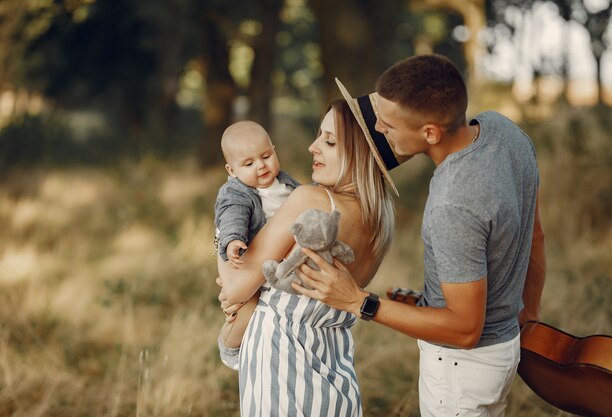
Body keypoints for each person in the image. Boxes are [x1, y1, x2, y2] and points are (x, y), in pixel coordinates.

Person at [294, 55, 546, 417]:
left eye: (388, 125)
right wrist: (528, 315)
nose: (377, 130)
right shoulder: (504, 132)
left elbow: (465, 330)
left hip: (461, 370)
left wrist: (358, 301)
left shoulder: (452, 203)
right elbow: (534, 237)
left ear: (430, 132)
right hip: (504, 348)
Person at [217, 98, 404, 416]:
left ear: (358, 153)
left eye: (329, 141)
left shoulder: (309, 200)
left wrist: (221, 233)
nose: (312, 147)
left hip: (280, 360)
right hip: (335, 361)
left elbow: (234, 289)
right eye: (319, 135)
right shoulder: (379, 221)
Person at [214, 120, 299, 370]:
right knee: (245, 306)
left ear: (274, 150)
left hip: (279, 260)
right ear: (231, 170)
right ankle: (230, 347)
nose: (261, 166)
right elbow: (231, 215)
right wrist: (232, 239)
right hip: (249, 258)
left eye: (266, 156)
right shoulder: (237, 193)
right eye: (249, 163)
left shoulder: (286, 183)